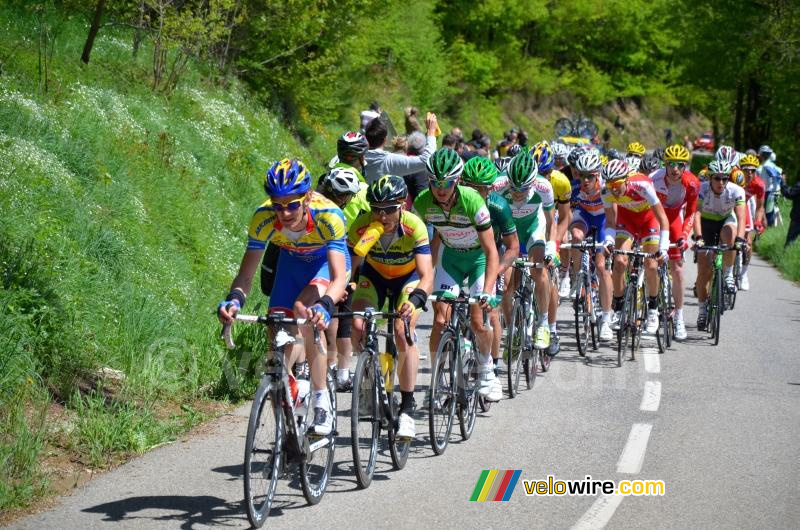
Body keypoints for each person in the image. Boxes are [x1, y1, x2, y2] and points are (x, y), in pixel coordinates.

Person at [217, 159, 349, 435]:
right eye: (278, 205)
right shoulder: (263, 218)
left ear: (308, 197)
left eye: (291, 204)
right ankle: (289, 409)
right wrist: (234, 301)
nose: (284, 212)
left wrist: (326, 305)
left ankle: (321, 398)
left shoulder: (329, 215)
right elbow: (246, 275)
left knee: (304, 309)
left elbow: (339, 278)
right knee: (276, 328)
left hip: (325, 263)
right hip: (291, 263)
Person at [348, 176, 433, 439]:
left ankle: (407, 407)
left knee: (401, 330)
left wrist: (416, 299)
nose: (381, 216)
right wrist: (345, 288)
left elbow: (427, 274)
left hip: (407, 280)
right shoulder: (363, 225)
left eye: (388, 210)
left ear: (402, 207)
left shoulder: (413, 226)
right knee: (358, 324)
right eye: (376, 209)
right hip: (374, 276)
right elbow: (350, 266)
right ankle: (368, 377)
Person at [413, 148, 499, 392]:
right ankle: (437, 381)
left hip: (477, 261)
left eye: (447, 183)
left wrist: (489, 291)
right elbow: (417, 242)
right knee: (440, 320)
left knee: (478, 321)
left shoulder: (473, 201)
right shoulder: (422, 202)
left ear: (457, 181)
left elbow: (492, 251)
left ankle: (486, 370)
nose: (441, 189)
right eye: (435, 183)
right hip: (449, 260)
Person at [460, 156, 519, 401]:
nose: (476, 193)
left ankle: (492, 370)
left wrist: (498, 271)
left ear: (490, 188)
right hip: (461, 257)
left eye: (481, 189)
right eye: (471, 187)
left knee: (490, 312)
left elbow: (513, 247)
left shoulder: (498, 206)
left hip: (490, 259)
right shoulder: (457, 202)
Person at [603, 159, 671, 335]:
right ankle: (618, 309)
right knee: (618, 262)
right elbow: (610, 221)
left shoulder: (643, 185)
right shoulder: (606, 192)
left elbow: (663, 219)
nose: (614, 189)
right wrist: (609, 241)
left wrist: (663, 248)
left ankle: (654, 308)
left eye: (617, 184)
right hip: (628, 221)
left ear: (626, 179)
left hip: (650, 220)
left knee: (651, 265)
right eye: (610, 185)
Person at [317, 165, 369, 391]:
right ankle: (340, 371)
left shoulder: (315, 198)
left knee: (335, 317)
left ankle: (333, 367)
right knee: (341, 318)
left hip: (334, 260)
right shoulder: (362, 194)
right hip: (344, 258)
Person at [502, 151, 557, 350]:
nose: (517, 192)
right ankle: (512, 330)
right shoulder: (498, 185)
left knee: (539, 270)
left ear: (533, 183)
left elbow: (551, 223)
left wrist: (551, 248)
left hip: (533, 229)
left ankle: (543, 323)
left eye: (523, 188)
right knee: (505, 285)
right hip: (509, 233)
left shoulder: (544, 186)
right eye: (513, 187)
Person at [649, 145, 700, 340]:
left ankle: (678, 315)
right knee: (651, 262)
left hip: (675, 218)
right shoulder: (654, 178)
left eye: (680, 165)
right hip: (654, 217)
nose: (675, 169)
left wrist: (684, 235)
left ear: (685, 166)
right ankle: (649, 307)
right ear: (665, 164)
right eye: (671, 164)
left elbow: (691, 212)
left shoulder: (692, 183)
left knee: (677, 267)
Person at [692, 159, 747, 330]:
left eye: (725, 178)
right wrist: (699, 237)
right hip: (706, 224)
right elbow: (697, 214)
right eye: (717, 178)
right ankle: (702, 311)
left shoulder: (736, 190)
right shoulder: (702, 189)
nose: (721, 183)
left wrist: (740, 239)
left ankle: (728, 273)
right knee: (704, 272)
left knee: (730, 236)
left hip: (725, 220)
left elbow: (741, 217)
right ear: (710, 178)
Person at [569, 150, 614, 341]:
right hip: (585, 217)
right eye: (581, 175)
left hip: (604, 221)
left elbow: (613, 219)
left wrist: (609, 241)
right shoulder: (575, 190)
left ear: (597, 176)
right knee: (577, 236)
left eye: (590, 176)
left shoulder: (606, 190)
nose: (584, 180)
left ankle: (606, 318)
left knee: (602, 267)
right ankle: (577, 277)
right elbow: (569, 215)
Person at [532, 142, 572, 356]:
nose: (542, 178)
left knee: (549, 275)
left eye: (546, 173)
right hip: (531, 224)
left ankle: (552, 329)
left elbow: (565, 217)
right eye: (538, 173)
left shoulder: (561, 182)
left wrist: (554, 244)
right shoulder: (525, 179)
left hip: (552, 223)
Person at [364, 114, 438, 184]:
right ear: (385, 140)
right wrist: (431, 131)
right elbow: (426, 160)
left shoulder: (357, 158)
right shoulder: (390, 161)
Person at [735, 154, 766, 289]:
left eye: (753, 170)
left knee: (748, 241)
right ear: (740, 169)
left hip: (745, 207)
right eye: (746, 170)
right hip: (730, 207)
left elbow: (759, 207)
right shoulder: (734, 178)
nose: (749, 173)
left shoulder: (758, 184)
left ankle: (744, 274)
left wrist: (758, 222)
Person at [758, 145, 782, 226]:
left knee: (768, 210)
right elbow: (780, 172)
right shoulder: (771, 164)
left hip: (768, 191)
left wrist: (775, 187)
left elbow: (774, 175)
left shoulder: (766, 165)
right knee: (770, 209)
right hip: (770, 190)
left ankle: (768, 226)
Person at [780, 173, 800, 246]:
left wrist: (783, 182)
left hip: (798, 218)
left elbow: (788, 193)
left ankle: (786, 255)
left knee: (790, 242)